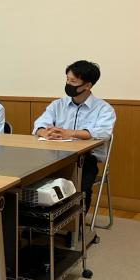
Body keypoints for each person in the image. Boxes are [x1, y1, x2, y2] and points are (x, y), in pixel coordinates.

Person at [33, 60, 116, 209]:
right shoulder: (58, 104)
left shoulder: (104, 109)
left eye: (73, 81)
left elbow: (103, 133)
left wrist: (69, 133)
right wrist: (44, 132)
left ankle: (78, 223)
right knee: (33, 180)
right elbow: (39, 124)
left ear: (87, 85)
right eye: (67, 79)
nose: (68, 84)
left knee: (81, 190)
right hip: (55, 156)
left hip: (86, 159)